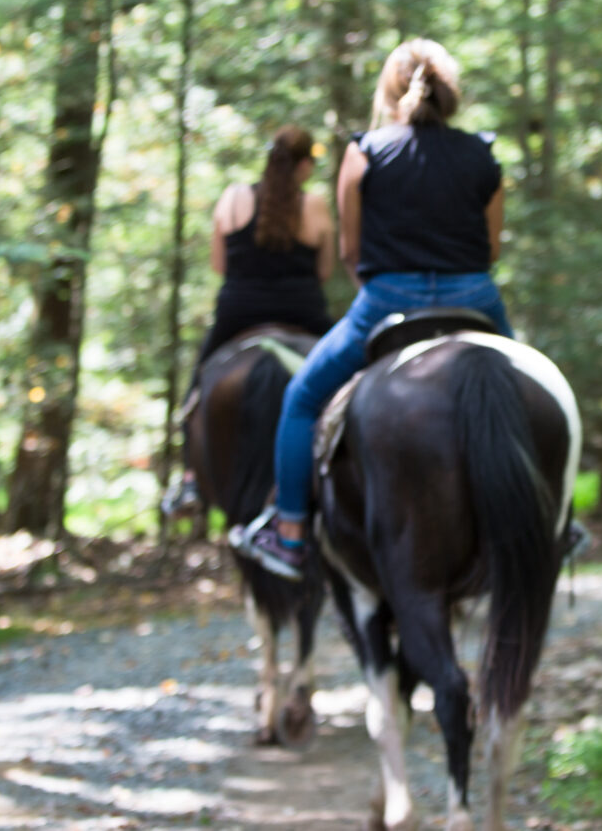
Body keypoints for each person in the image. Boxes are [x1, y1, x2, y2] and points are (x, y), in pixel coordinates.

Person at [232, 38, 511, 580]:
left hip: (387, 301)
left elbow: (350, 251)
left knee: (302, 399)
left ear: (388, 91)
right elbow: (493, 249)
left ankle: (290, 534)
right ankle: (556, 520)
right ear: (451, 93)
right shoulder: (484, 154)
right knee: (532, 394)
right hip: (474, 296)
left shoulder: (364, 152)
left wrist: (388, 280)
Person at [196, 125, 336, 367]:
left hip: (237, 311)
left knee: (200, 377)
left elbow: (218, 266)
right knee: (346, 375)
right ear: (304, 164)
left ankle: (188, 403)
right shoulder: (315, 205)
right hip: (303, 311)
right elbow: (323, 273)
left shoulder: (233, 196)